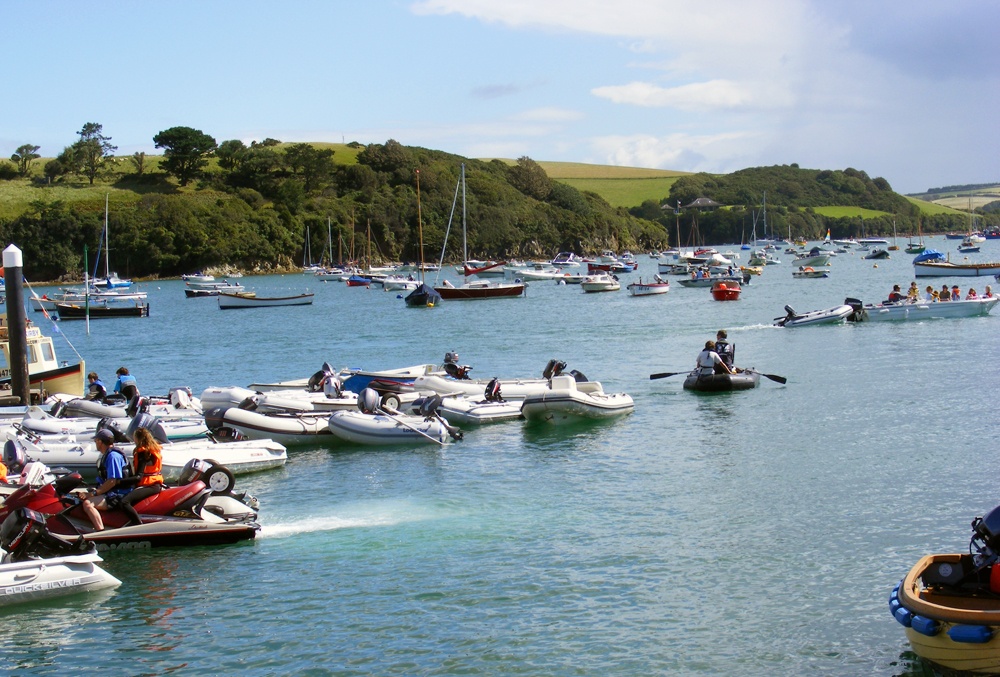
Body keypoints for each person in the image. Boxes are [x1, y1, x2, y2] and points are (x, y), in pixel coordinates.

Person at [81, 429, 133, 531]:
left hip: (119, 494)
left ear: (100, 442)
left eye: (96, 440)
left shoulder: (113, 456)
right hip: (112, 491)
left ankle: (100, 531)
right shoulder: (107, 455)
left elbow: (112, 481)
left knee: (87, 504)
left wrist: (95, 493)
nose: (95, 443)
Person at [116, 427, 164, 526]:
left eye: (134, 438)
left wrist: (119, 482)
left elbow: (138, 477)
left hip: (150, 486)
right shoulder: (153, 450)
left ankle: (137, 524)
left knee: (124, 502)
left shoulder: (144, 453)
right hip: (155, 484)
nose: (134, 440)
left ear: (138, 439)